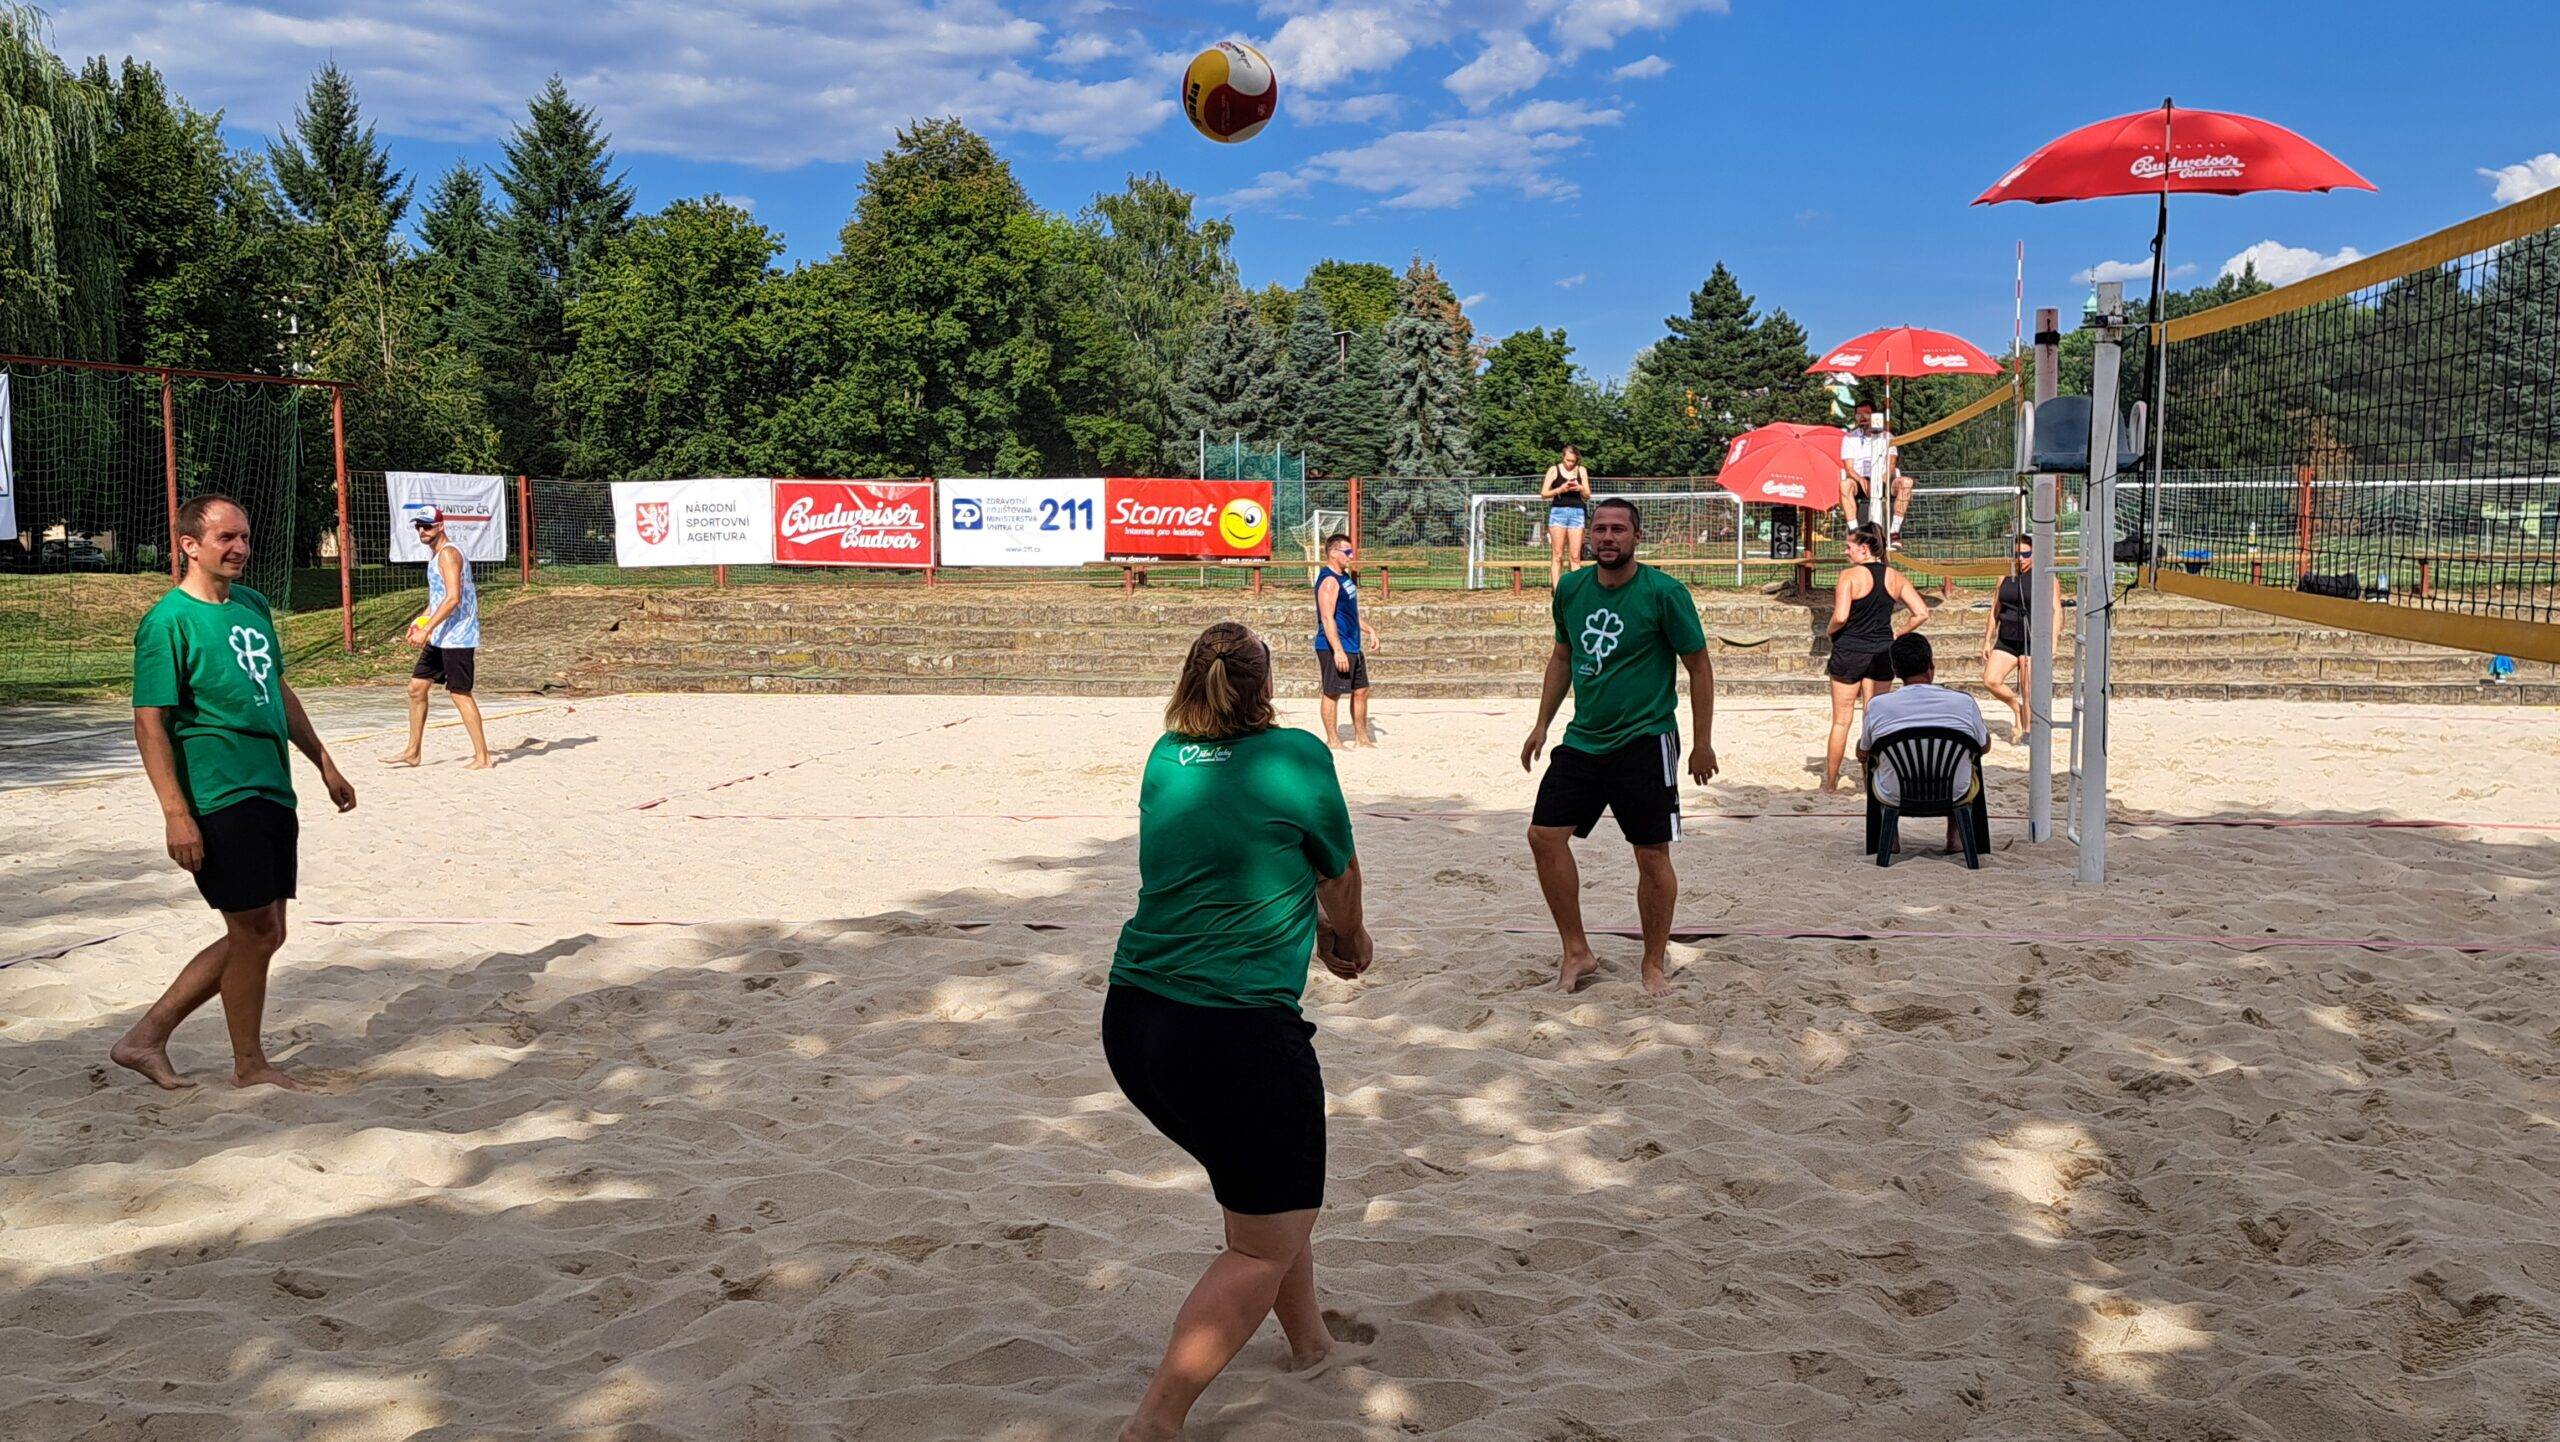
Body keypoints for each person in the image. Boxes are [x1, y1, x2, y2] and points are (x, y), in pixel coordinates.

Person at [1104, 621, 1375, 1442]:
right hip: (1234, 1036)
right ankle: (1156, 1423)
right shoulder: (1296, 755)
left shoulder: (1165, 757)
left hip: (1134, 1022)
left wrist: (1316, 928)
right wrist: (1346, 938)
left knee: (1270, 1200)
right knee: (1260, 1243)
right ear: (1267, 686)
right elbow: (1339, 872)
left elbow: (1226, 857)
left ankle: (1310, 1344)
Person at [111, 494, 357, 1092]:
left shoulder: (252, 605)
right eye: (226, 537)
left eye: (244, 536)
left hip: (272, 784)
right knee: (255, 931)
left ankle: (145, 1039)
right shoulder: (168, 622)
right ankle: (249, 1065)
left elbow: (274, 686)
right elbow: (149, 723)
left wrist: (323, 761)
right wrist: (176, 813)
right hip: (218, 792)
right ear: (189, 545)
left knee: (266, 931)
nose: (240, 547)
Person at [1520, 498, 1717, 998]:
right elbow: (1562, 654)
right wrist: (1541, 723)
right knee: (1544, 836)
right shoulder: (1571, 588)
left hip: (1646, 738)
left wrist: (1702, 743)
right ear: (1589, 535)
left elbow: (1699, 666)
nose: (1608, 537)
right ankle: (1576, 951)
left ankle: (1653, 962)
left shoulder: (1664, 593)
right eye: (1600, 529)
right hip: (1584, 738)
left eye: (1618, 529)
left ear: (1636, 536)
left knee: (1650, 854)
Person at [1822, 523, 1931, 793]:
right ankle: (1871, 782)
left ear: (1864, 548)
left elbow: (1841, 616)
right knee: (1874, 719)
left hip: (1849, 650)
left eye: (1849, 546)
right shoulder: (1894, 576)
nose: (1845, 551)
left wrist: (1829, 631)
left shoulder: (1849, 576)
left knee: (1841, 721)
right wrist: (1898, 633)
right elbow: (1922, 612)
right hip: (1882, 652)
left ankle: (1831, 783)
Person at [383, 505, 493, 769]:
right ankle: (413, 752)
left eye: (427, 525)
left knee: (460, 694)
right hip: (441, 635)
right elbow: (438, 599)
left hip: (458, 637)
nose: (422, 530)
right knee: (416, 688)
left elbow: (453, 598)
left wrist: (426, 629)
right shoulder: (436, 556)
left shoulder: (448, 554)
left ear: (441, 526)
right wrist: (420, 621)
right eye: (418, 526)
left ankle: (483, 757)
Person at [1859, 631, 1991, 852]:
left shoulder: (1877, 705)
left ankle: (1890, 838)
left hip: (1896, 792)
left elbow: (1865, 749)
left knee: (1869, 761)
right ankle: (1956, 836)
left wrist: (1862, 752)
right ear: (1931, 665)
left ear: (1895, 670)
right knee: (1967, 758)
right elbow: (1983, 746)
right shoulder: (1963, 703)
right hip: (1954, 791)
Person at [1312, 532, 1379, 749]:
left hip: (1353, 643)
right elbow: (1327, 617)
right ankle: (1333, 740)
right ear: (1333, 553)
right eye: (1347, 551)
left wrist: (1369, 630)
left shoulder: (1345, 578)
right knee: (1333, 692)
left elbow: (1349, 613)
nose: (1351, 555)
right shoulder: (1329, 581)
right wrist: (1338, 650)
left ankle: (1362, 738)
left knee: (1361, 690)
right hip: (1334, 645)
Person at [1980, 533, 2050, 744]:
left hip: (2030, 640)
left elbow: (2055, 611)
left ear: (2034, 554)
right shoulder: (2005, 576)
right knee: (1991, 680)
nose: (2021, 558)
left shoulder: (2043, 578)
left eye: (2026, 554)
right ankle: (2016, 708)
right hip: (2006, 639)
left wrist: (2051, 642)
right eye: (2017, 554)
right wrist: (1987, 640)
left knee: (2028, 689)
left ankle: (2027, 732)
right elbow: (1995, 609)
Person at [1839, 403, 1912, 542]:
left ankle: (1894, 532)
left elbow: (1891, 465)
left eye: (1866, 414)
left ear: (1874, 416)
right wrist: (1861, 480)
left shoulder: (1887, 436)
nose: (1862, 418)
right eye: (1858, 415)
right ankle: (1854, 531)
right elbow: (1849, 468)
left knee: (1906, 482)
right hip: (1860, 480)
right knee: (1844, 484)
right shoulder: (1849, 438)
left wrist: (1880, 481)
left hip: (1883, 478)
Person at [1539, 444, 1593, 587]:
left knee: (1575, 556)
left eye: (1573, 461)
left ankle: (1576, 589)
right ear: (1563, 457)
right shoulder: (1554, 470)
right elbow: (1544, 493)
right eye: (1568, 460)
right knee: (1557, 554)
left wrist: (1580, 488)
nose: (1570, 464)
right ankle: (1557, 589)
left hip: (1577, 513)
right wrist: (1560, 489)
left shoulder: (1581, 470)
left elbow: (1587, 495)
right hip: (1558, 513)